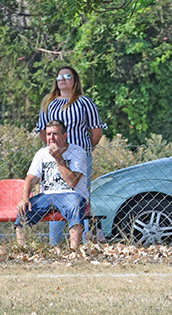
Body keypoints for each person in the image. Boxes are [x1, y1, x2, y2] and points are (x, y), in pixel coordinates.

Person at [36, 66, 106, 245]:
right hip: (55, 158)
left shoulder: (84, 102)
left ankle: (79, 243)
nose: (63, 79)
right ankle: (55, 243)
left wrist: (84, 151)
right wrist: (51, 149)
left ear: (74, 80)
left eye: (67, 76)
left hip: (78, 157)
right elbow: (43, 130)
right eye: (59, 76)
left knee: (79, 196)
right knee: (55, 194)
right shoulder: (48, 102)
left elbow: (96, 131)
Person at [16, 121, 88, 250]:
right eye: (49, 134)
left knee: (75, 206)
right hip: (47, 195)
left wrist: (59, 158)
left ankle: (74, 251)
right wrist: (25, 198)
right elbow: (31, 178)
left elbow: (73, 182)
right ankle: (21, 250)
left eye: (55, 134)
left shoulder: (78, 152)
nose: (51, 138)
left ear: (64, 135)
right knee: (24, 210)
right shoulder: (41, 153)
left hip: (71, 194)